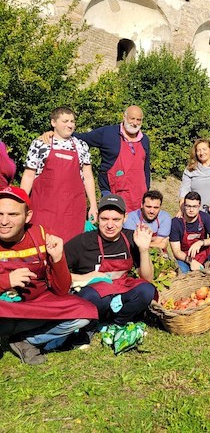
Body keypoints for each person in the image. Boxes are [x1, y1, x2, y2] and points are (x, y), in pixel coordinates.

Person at [0, 186, 97, 365]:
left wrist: (58, 258)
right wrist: (6, 280)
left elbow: (61, 290)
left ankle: (28, 340)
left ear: (27, 216)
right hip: (4, 310)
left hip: (37, 307)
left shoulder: (41, 235)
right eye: (0, 214)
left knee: (84, 313)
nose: (4, 221)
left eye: (13, 215)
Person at [64, 194, 156, 328]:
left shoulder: (132, 238)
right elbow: (54, 274)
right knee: (96, 296)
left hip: (120, 292)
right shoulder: (82, 242)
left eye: (116, 219)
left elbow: (147, 279)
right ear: (97, 218)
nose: (110, 225)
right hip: (94, 296)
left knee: (147, 290)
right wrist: (84, 277)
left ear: (125, 218)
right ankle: (91, 322)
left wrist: (143, 249)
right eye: (104, 219)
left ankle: (117, 323)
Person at [44, 106, 150, 213]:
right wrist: (54, 133)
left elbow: (145, 169)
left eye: (138, 120)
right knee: (111, 226)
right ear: (124, 117)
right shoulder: (107, 133)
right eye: (132, 118)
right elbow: (82, 138)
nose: (135, 123)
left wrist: (147, 192)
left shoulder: (144, 139)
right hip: (112, 192)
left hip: (138, 195)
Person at [20, 107, 98, 243]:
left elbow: (88, 177)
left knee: (71, 249)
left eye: (72, 121)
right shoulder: (40, 144)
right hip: (44, 210)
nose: (70, 125)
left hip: (72, 211)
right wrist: (21, 203)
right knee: (41, 244)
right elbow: (28, 176)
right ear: (53, 122)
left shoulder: (81, 146)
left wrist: (93, 205)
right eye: (65, 121)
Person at [170, 192, 210, 273]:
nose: (191, 210)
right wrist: (191, 261)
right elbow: (176, 251)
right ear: (184, 205)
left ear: (199, 206)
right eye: (188, 206)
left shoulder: (204, 217)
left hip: (202, 253)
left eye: (195, 206)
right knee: (182, 269)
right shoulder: (176, 222)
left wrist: (200, 243)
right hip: (185, 257)